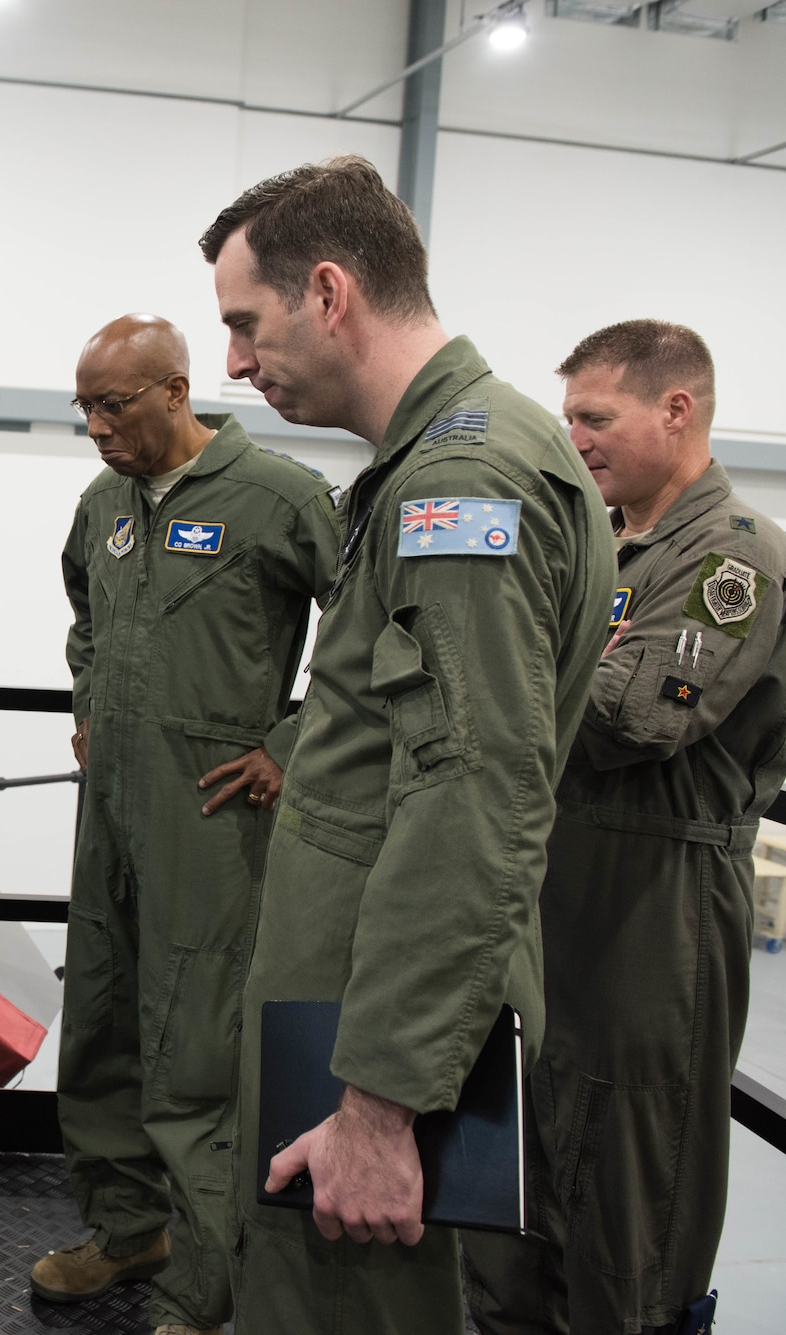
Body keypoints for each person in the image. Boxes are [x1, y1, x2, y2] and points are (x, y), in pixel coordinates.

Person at [195, 157, 616, 1333]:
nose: (232, 362)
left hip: (369, 1061)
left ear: (327, 293)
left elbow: (474, 800)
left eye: (244, 323)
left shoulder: (461, 486)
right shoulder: (440, 468)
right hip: (353, 1019)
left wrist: (378, 1108)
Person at [462, 320, 786, 1335]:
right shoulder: (609, 544)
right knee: (527, 1165)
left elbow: (632, 715)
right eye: (567, 415)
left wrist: (500, 646)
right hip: (559, 886)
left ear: (676, 408)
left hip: (654, 904)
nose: (571, 437)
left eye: (592, 415)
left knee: (628, 1183)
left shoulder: (733, 558)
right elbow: (580, 687)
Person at [36, 314, 339, 1335]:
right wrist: (86, 703)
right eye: (81, 408)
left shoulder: (278, 499)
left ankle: (207, 1290)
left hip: (210, 820)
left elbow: (374, 620)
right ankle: (126, 1233)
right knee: (100, 1031)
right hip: (110, 811)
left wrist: (289, 745)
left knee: (194, 1056)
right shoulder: (103, 504)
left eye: (109, 406)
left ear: (174, 390)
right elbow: (83, 612)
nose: (93, 428)